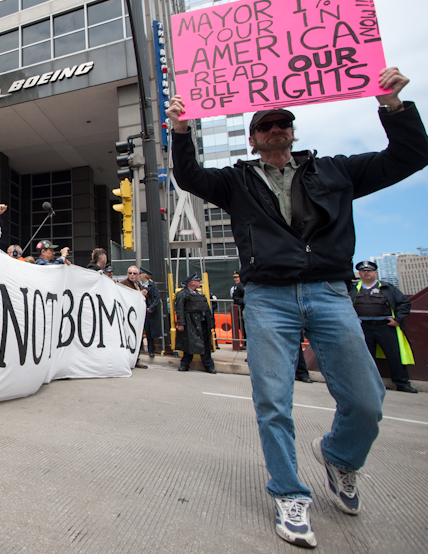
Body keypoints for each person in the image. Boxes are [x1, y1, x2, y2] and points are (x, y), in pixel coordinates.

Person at [166, 66, 428, 548]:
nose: (276, 129)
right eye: (266, 125)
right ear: (253, 137)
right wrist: (180, 128)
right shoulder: (235, 181)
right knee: (273, 402)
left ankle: (339, 458)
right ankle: (289, 493)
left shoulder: (334, 170)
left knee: (367, 399)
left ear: (292, 130)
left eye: (283, 122)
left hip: (329, 292)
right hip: (268, 297)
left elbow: (410, 155)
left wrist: (392, 104)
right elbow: (188, 174)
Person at [351, 260, 416, 393]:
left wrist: (398, 319)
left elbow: (404, 303)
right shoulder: (354, 289)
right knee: (365, 357)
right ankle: (368, 384)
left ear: (375, 273)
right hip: (363, 327)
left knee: (394, 356)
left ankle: (402, 383)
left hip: (385, 327)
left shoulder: (387, 288)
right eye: (363, 271)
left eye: (369, 270)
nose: (366, 272)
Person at [174, 273, 216, 374]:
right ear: (192, 283)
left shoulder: (200, 294)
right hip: (190, 322)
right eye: (197, 281)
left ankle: (208, 365)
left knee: (205, 345)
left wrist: (210, 322)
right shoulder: (182, 294)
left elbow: (207, 309)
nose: (199, 283)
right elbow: (179, 309)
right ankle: (185, 364)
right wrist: (181, 323)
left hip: (202, 322)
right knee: (189, 344)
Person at [121, 266, 149, 369]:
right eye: (130, 273)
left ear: (138, 275)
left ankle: (136, 359)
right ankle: (129, 360)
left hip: (137, 317)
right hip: (128, 316)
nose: (132, 275)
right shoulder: (123, 284)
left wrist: (144, 294)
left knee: (138, 338)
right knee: (129, 338)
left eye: (134, 273)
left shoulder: (138, 285)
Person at [140, 268, 163, 358]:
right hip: (141, 310)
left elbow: (156, 298)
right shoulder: (139, 285)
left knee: (149, 331)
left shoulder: (152, 285)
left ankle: (151, 350)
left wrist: (151, 308)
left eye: (141, 274)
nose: (139, 275)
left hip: (149, 311)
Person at [231, 272, 247, 352]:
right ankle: (245, 343)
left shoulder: (249, 284)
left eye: (237, 277)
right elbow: (235, 297)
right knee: (243, 327)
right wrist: (245, 301)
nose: (235, 279)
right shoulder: (240, 286)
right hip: (243, 309)